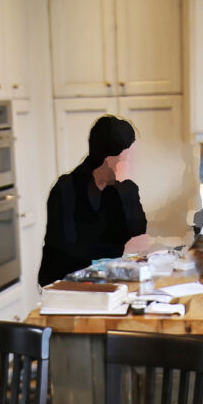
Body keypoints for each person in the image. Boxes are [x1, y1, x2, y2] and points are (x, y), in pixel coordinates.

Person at [39, 114, 157, 285]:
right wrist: (122, 248)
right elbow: (67, 247)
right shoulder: (66, 188)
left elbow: (138, 234)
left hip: (110, 281)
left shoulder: (127, 188)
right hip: (66, 285)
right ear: (108, 158)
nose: (132, 161)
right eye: (127, 156)